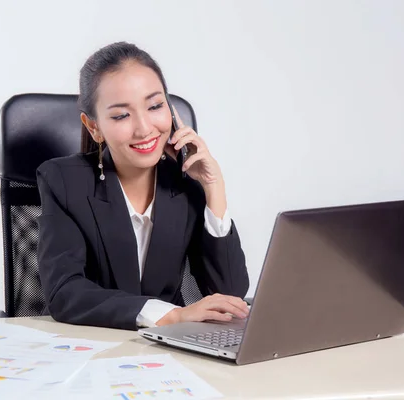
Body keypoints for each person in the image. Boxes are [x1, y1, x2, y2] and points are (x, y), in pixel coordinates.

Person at [36, 42, 250, 331]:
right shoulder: (62, 182)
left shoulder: (186, 182)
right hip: (93, 348)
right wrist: (171, 315)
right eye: (121, 115)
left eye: (155, 106)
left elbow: (230, 296)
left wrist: (214, 189)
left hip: (172, 357)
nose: (144, 128)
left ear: (171, 111)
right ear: (94, 127)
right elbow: (64, 293)